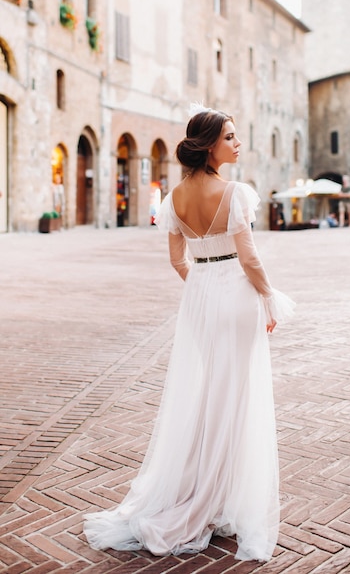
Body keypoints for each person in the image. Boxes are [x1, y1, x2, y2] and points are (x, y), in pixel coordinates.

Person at [83, 104, 295, 562]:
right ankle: (211, 501)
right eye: (230, 137)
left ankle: (204, 493)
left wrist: (203, 289)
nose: (237, 144)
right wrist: (266, 296)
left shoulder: (174, 197)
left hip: (200, 299)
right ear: (209, 145)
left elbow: (178, 261)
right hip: (237, 294)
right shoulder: (235, 192)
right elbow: (251, 258)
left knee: (206, 397)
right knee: (235, 399)